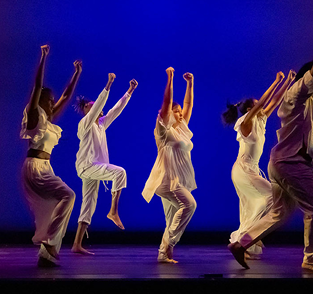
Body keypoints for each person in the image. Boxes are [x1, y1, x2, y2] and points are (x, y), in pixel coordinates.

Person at [228, 22, 313, 271]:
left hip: (280, 163)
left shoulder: (305, 99)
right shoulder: (298, 94)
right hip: (291, 164)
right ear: (306, 79)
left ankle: (241, 242)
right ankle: (311, 260)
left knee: (279, 212)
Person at [222, 70, 296, 259]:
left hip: (252, 170)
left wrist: (287, 81)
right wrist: (276, 80)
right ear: (250, 110)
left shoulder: (260, 121)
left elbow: (275, 101)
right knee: (273, 196)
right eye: (256, 106)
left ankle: (244, 241)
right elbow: (264, 102)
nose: (262, 108)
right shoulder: (245, 122)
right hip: (243, 170)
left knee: (258, 204)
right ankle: (247, 238)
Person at [21, 45, 81, 267]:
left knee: (59, 203)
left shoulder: (48, 120)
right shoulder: (35, 117)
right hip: (35, 167)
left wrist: (77, 73)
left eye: (51, 100)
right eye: (47, 99)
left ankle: (47, 252)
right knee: (69, 195)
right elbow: (36, 87)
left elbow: (66, 96)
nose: (50, 102)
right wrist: (43, 57)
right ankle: (49, 246)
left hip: (45, 167)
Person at [72, 73, 138, 255]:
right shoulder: (84, 124)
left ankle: (77, 244)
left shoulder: (101, 124)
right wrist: (108, 84)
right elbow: (97, 108)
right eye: (91, 106)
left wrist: (129, 92)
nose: (96, 108)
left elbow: (115, 111)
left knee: (88, 204)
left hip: (92, 169)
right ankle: (113, 211)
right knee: (120, 173)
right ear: (86, 110)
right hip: (87, 166)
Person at [142, 68, 195, 264]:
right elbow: (166, 103)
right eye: (176, 113)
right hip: (166, 179)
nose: (180, 115)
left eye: (180, 113)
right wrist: (170, 78)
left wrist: (190, 83)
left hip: (178, 179)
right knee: (190, 205)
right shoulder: (162, 130)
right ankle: (169, 245)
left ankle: (163, 254)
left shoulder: (181, 128)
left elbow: (188, 104)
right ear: (167, 116)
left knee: (172, 218)